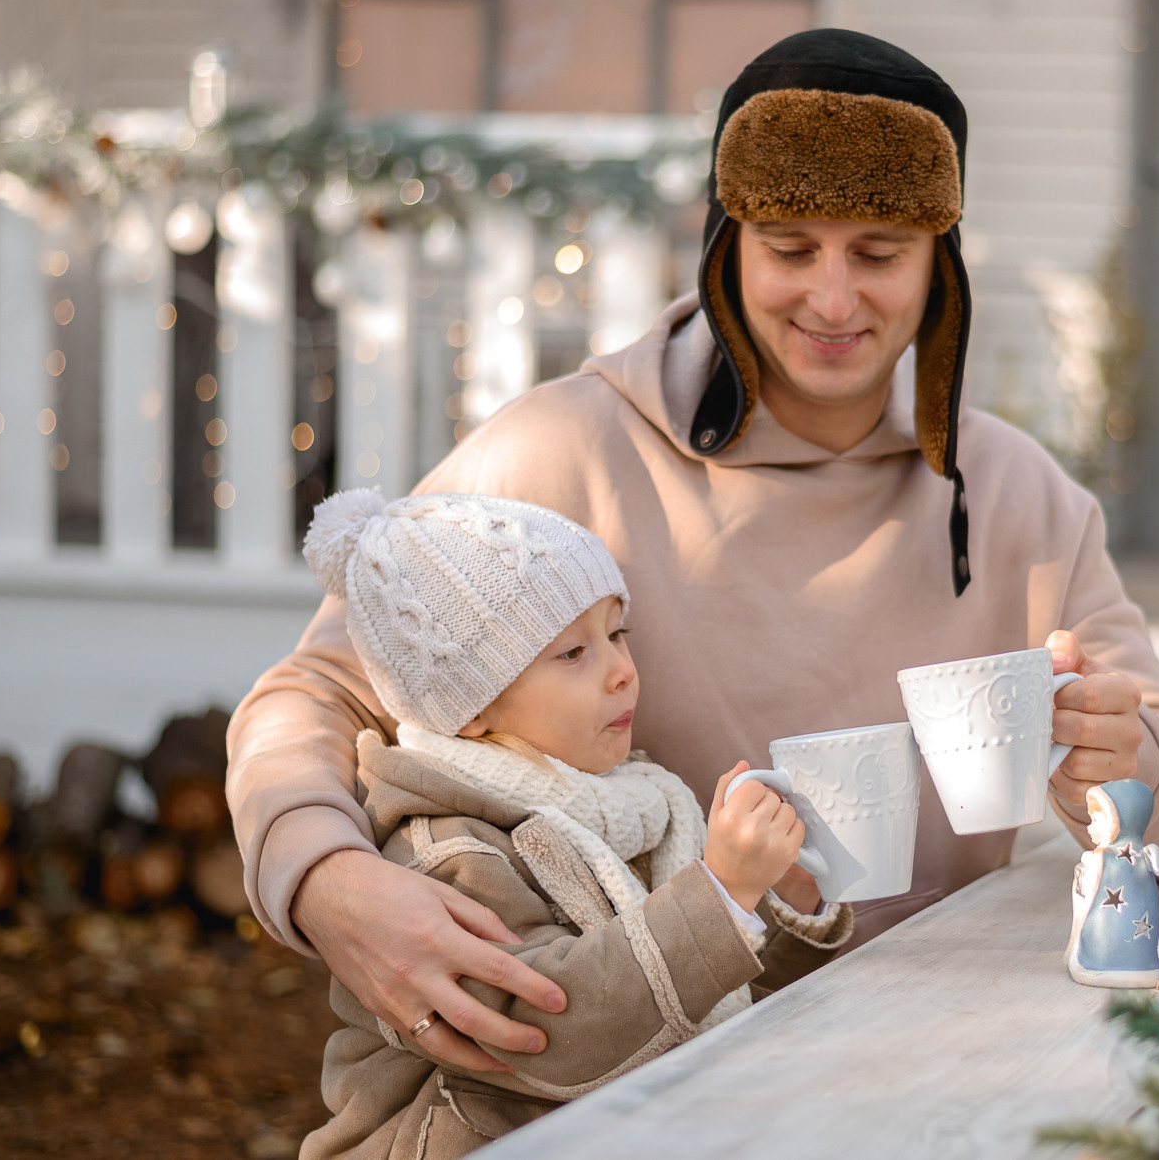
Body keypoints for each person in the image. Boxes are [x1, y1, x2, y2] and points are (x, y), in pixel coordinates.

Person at [228, 28, 1159, 1073]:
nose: (833, 300)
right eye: (790, 248)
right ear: (725, 246)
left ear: (942, 264)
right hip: (628, 1078)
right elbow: (314, 689)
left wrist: (1130, 760)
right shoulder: (571, 447)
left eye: (880, 253)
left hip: (933, 1060)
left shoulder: (1021, 497)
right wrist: (323, 878)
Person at [297, 489, 852, 1157]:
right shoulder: (445, 850)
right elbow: (547, 1034)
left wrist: (779, 901)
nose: (622, 671)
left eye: (617, 633)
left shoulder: (633, 805)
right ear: (471, 709)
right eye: (573, 653)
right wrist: (721, 894)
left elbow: (712, 996)